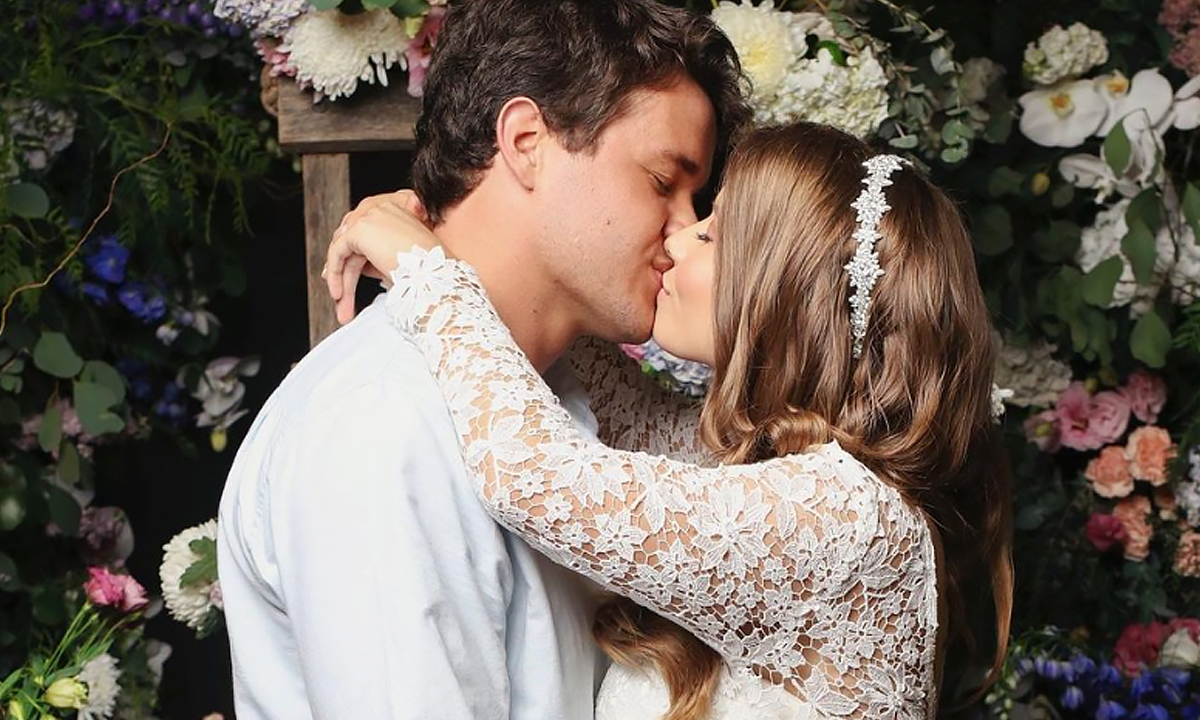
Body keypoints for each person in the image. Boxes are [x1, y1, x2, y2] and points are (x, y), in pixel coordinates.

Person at [325, 122, 1015, 720]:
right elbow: (610, 393)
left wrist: (427, 269)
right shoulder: (764, 461)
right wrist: (467, 244)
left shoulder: (848, 517)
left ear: (786, 295)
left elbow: (535, 476)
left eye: (713, 232)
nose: (681, 239)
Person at [216, 0, 748, 717]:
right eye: (662, 182)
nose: (684, 232)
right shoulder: (387, 419)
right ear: (527, 142)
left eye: (696, 198)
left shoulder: (556, 392)